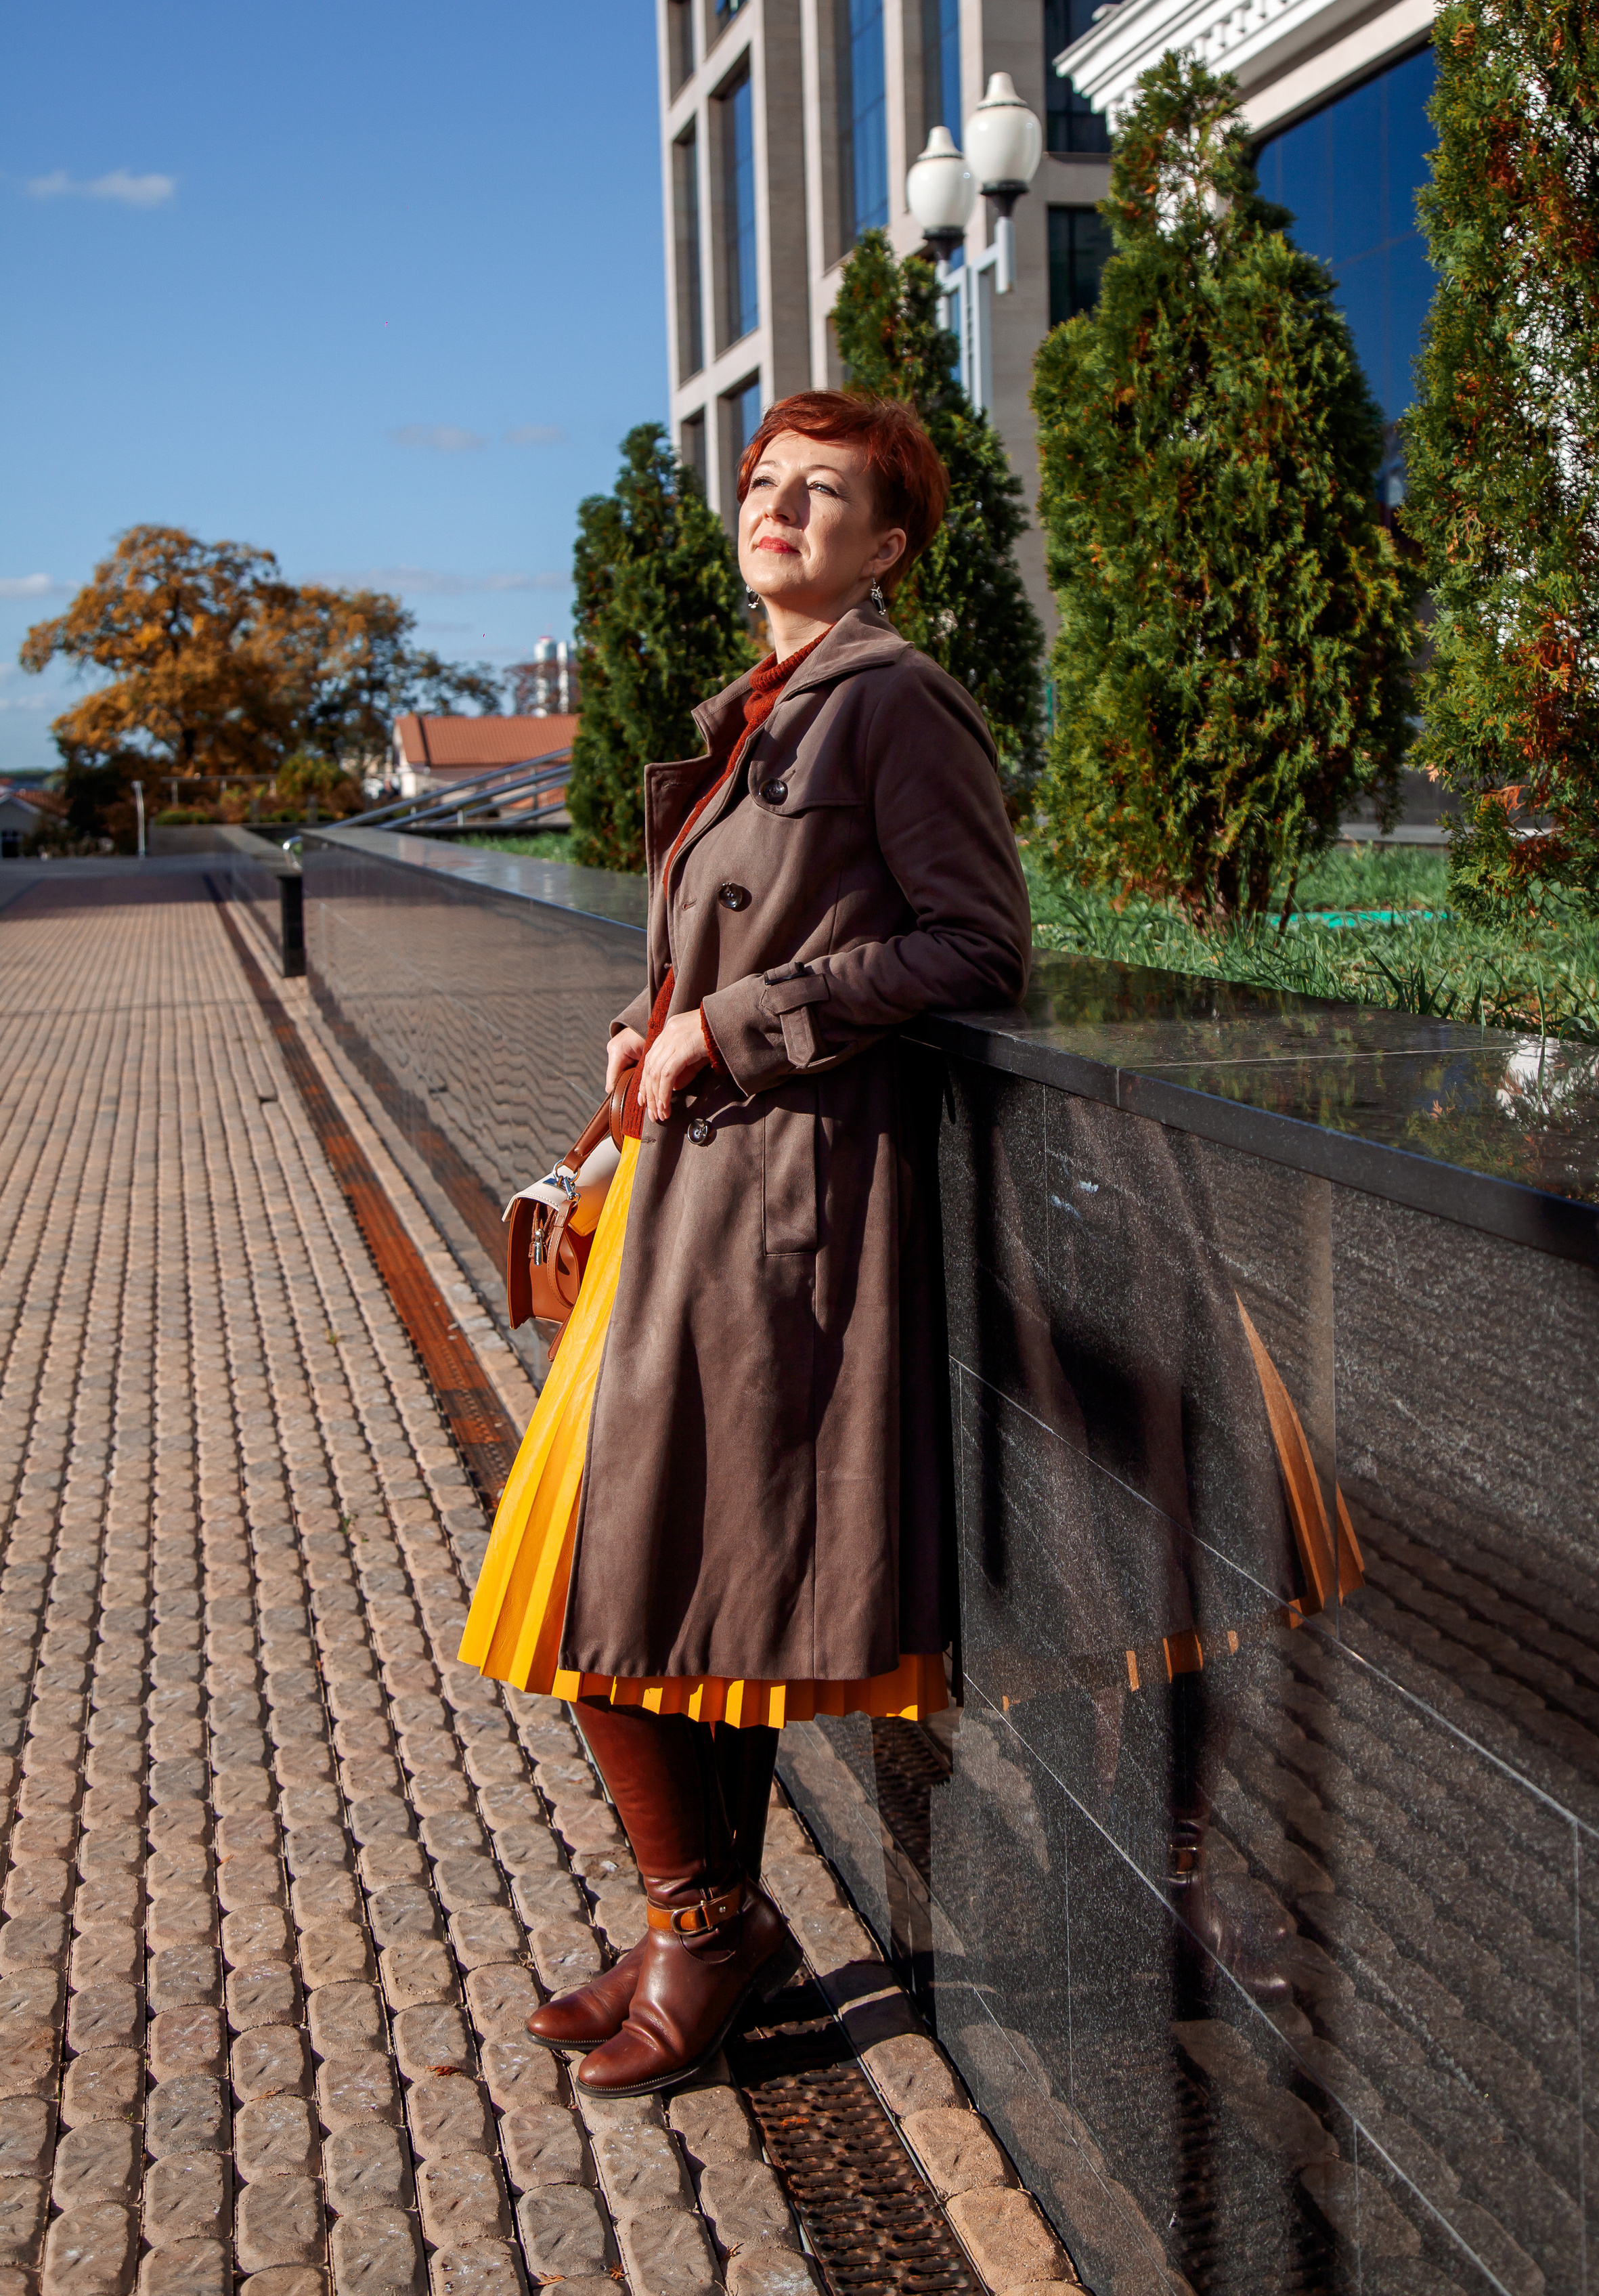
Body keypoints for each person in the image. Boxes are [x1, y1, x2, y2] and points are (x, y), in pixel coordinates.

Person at [459, 389, 1032, 2096]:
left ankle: (704, 1936)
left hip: (785, 1213)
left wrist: (738, 1026)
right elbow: (739, 934)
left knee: (588, 1586)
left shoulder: (894, 705)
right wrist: (653, 1033)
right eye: (765, 483)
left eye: (824, 492)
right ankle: (693, 1930)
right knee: (655, 1583)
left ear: (887, 544)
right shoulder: (767, 708)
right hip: (686, 1202)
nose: (776, 509)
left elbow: (973, 947)